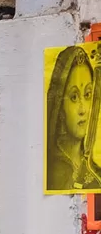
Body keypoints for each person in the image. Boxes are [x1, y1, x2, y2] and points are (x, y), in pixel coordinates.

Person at [46, 45, 100, 191]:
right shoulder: (54, 170)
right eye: (74, 97)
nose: (83, 109)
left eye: (87, 95)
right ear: (60, 105)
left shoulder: (93, 169)